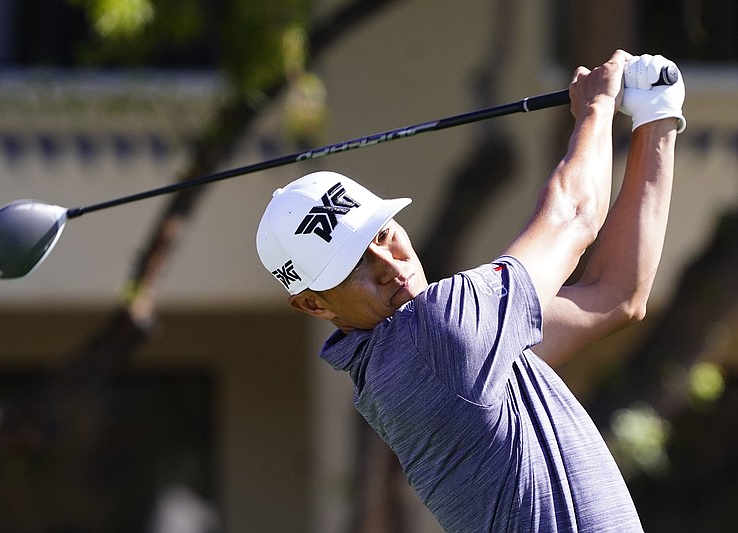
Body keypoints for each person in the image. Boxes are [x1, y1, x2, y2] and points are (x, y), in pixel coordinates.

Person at [256, 50, 685, 532]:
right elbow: (573, 215)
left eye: (382, 235)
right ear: (314, 304)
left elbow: (615, 296)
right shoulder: (437, 334)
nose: (387, 265)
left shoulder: (440, 353)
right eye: (351, 265)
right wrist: (597, 106)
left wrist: (657, 115)